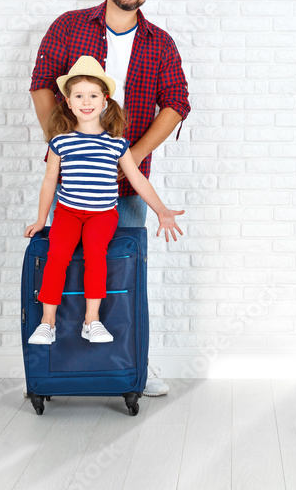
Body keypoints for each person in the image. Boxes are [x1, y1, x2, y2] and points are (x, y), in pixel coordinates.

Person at [30, 0, 189, 395]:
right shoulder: (70, 26)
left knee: (121, 275)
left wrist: (132, 156)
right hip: (73, 185)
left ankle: (131, 367)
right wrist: (59, 141)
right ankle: (63, 365)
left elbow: (177, 103)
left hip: (128, 186)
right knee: (66, 264)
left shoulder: (160, 43)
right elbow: (42, 84)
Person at [24, 56, 184, 345]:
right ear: (68, 102)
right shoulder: (60, 141)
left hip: (102, 215)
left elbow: (137, 179)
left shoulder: (116, 143)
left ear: (105, 100)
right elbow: (50, 182)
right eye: (79, 96)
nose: (86, 101)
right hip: (68, 212)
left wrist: (161, 210)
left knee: (96, 256)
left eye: (93, 95)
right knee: (57, 255)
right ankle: (47, 322)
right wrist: (40, 219)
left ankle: (91, 320)